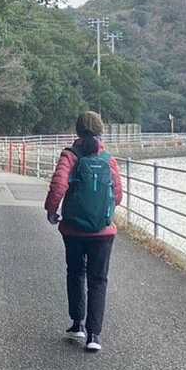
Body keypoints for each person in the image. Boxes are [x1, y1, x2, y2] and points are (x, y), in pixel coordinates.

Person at [43, 111, 123, 352]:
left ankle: (77, 323)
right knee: (98, 280)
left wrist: (51, 210)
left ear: (77, 131)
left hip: (74, 229)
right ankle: (94, 335)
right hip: (103, 232)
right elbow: (118, 194)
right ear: (100, 131)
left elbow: (58, 185)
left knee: (76, 273)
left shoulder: (70, 156)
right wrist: (102, 211)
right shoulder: (108, 159)